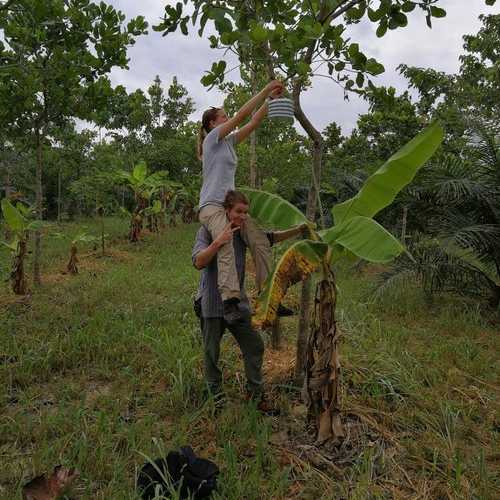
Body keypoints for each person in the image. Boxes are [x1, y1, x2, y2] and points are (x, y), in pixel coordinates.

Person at [192, 190, 306, 413]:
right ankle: (215, 397)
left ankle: (255, 396)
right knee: (211, 354)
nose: (243, 216)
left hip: (238, 305)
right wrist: (218, 242)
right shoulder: (206, 230)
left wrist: (299, 230)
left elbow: (270, 237)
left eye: (246, 212)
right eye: (238, 211)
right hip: (212, 305)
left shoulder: (245, 231)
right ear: (227, 210)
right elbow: (198, 262)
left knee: (255, 346)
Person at [197, 80, 290, 325]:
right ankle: (230, 302)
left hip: (229, 207)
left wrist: (271, 101)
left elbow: (254, 121)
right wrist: (265, 89)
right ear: (212, 124)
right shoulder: (212, 141)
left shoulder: (229, 144)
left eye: (226, 117)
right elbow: (241, 116)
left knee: (259, 241)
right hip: (212, 207)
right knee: (226, 241)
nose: (227, 119)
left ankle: (270, 295)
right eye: (223, 117)